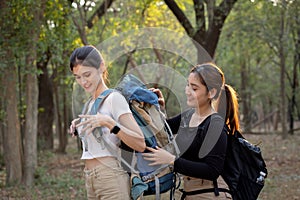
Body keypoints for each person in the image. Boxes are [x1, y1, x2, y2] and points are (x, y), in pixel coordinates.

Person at [143, 62, 240, 199]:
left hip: (210, 195)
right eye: (187, 85)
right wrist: (158, 109)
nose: (187, 91)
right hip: (189, 193)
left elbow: (212, 170)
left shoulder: (215, 125)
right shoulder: (188, 116)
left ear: (211, 93)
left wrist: (172, 160)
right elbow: (163, 132)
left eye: (194, 88)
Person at [68, 45, 146, 200]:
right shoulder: (90, 104)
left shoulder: (114, 99)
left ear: (101, 67)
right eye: (77, 77)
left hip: (111, 177)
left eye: (87, 74)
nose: (83, 82)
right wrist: (78, 126)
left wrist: (110, 123)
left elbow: (140, 143)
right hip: (90, 178)